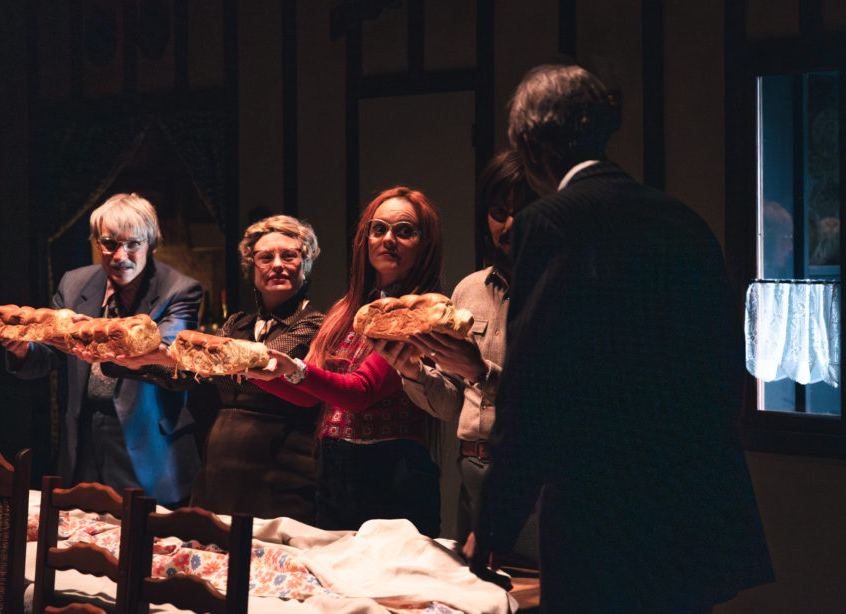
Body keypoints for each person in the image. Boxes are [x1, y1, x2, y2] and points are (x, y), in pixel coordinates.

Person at [468, 64, 774, 612]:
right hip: (697, 506)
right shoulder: (681, 217)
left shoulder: (553, 220)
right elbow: (730, 365)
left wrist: (494, 526)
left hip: (605, 515)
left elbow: (533, 390)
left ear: (532, 146)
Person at [246, 186, 443, 537]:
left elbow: (359, 392)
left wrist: (294, 369)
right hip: (335, 468)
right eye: (378, 228)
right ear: (364, 240)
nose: (388, 240)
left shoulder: (421, 310)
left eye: (404, 231)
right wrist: (249, 371)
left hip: (392, 470)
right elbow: (310, 395)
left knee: (389, 589)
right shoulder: (346, 308)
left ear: (425, 243)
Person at [373, 150, 538, 557]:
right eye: (499, 212)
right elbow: (452, 404)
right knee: (476, 592)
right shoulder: (469, 291)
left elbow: (568, 400)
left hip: (538, 478)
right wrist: (412, 372)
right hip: (473, 472)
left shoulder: (564, 288)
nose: (509, 225)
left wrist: (483, 373)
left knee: (537, 593)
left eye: (524, 210)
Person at [107, 215, 325, 523]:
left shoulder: (314, 324)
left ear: (305, 264)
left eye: (289, 255)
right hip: (220, 468)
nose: (277, 264)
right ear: (252, 268)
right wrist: (132, 361)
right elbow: (189, 374)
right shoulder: (238, 323)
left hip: (282, 469)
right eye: (266, 257)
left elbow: (265, 367)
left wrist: (173, 357)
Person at [0, 193, 203, 506]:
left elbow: (166, 351)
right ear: (96, 242)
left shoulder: (179, 289)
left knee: (150, 545)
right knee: (81, 545)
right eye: (109, 243)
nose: (120, 255)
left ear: (151, 244)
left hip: (149, 441)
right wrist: (22, 348)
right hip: (84, 437)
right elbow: (49, 356)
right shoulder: (74, 283)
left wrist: (88, 337)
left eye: (133, 244)